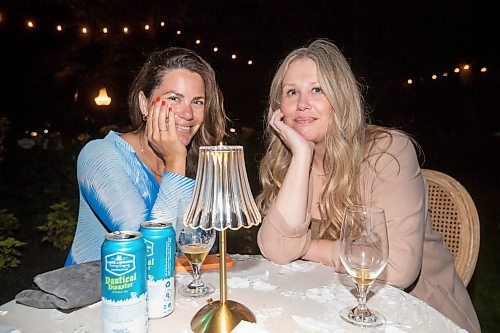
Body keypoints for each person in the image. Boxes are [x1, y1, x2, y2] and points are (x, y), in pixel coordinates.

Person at [256, 39, 480, 332]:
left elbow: (397, 266)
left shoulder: (387, 153)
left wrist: (305, 246)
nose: (302, 104)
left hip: (418, 312)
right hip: (335, 310)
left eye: (317, 89)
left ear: (341, 98)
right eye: (291, 92)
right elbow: (275, 248)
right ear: (279, 110)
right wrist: (301, 156)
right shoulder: (292, 163)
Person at [65, 47, 226, 266]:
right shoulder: (99, 155)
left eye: (197, 101)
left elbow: (202, 246)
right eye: (174, 98)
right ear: (144, 103)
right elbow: (152, 256)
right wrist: (175, 162)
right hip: (105, 294)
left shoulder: (196, 163)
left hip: (170, 294)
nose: (188, 114)